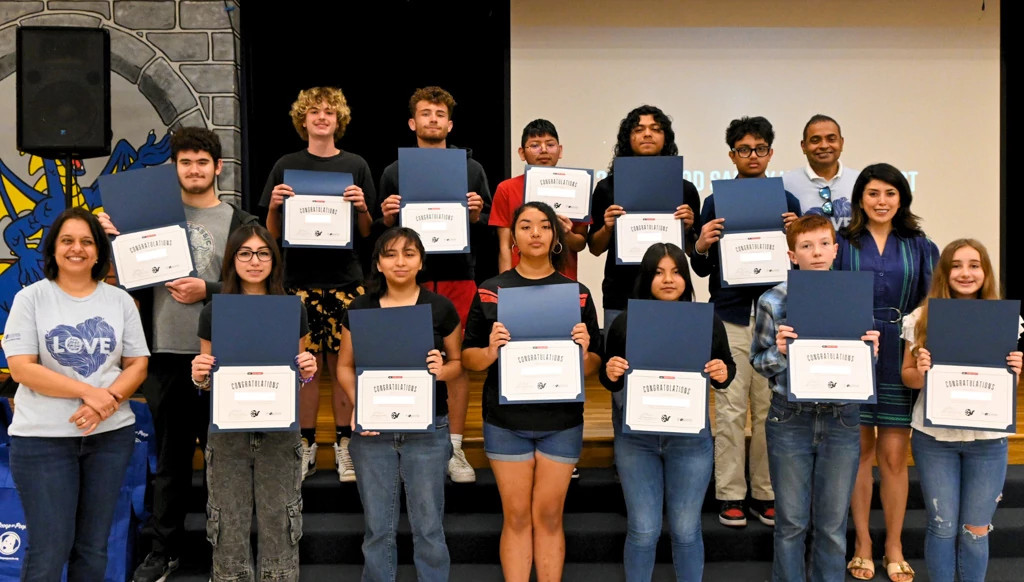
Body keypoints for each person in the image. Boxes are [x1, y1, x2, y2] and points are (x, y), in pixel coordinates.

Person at [98, 126, 259, 582]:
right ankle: (162, 551)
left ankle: (224, 551)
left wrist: (205, 288)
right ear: (175, 169)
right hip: (167, 353)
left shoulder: (241, 222)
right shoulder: (150, 217)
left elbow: (259, 282)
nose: (194, 170)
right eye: (185, 162)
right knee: (169, 462)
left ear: (218, 168)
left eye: (202, 162)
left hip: (227, 357)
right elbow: (128, 281)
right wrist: (118, 241)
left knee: (224, 460)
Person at [2, 207, 149, 581]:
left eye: (86, 241)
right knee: (50, 550)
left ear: (99, 252)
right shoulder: (30, 299)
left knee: (93, 549)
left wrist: (108, 403)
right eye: (67, 240)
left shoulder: (120, 302)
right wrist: (90, 393)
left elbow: (137, 365)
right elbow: (22, 368)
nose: (77, 249)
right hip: (43, 442)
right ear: (53, 249)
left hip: (109, 439)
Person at [462, 201, 602, 582]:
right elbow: (468, 358)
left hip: (562, 420)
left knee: (549, 517)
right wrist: (491, 351)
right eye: (526, 226)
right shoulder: (492, 291)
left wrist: (586, 351)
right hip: (506, 421)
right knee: (518, 516)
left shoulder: (577, 293)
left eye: (544, 226)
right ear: (514, 237)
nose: (536, 233)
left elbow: (595, 366)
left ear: (556, 237)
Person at [750, 214, 880, 582]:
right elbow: (758, 363)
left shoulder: (853, 296)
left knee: (832, 526)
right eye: (806, 246)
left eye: (824, 244)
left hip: (842, 418)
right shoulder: (772, 300)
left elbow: (859, 365)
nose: (817, 253)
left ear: (836, 251)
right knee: (790, 524)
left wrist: (869, 354)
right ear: (792, 255)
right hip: (790, 417)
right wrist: (781, 352)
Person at [260, 86, 377, 483]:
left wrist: (362, 207)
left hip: (346, 279)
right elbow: (271, 236)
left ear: (339, 120)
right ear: (303, 120)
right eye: (314, 112)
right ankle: (306, 445)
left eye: (329, 112)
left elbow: (367, 231)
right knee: (305, 370)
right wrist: (275, 206)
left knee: (345, 366)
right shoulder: (286, 165)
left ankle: (345, 445)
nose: (322, 117)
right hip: (299, 282)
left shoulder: (356, 165)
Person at [600, 242, 736, 582]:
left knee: (687, 531)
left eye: (676, 271)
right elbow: (609, 380)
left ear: (687, 279)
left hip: (690, 442)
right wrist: (611, 371)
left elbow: (726, 370)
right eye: (658, 273)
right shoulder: (625, 324)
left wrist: (723, 372)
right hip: (637, 442)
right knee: (643, 531)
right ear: (646, 278)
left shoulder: (706, 321)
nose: (668, 279)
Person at [376, 86, 491, 483]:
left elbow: (487, 225)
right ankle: (404, 435)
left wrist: (476, 213)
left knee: (455, 363)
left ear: (450, 123)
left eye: (440, 114)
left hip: (459, 273)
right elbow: (381, 231)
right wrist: (388, 216)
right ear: (413, 122)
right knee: (405, 357)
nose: (433, 120)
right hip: (408, 278)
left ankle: (454, 446)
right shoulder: (393, 171)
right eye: (426, 114)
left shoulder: (471, 169)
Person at [189, 224, 317, 581]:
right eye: (245, 253)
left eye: (263, 253)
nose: (254, 261)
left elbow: (300, 376)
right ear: (232, 260)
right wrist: (199, 373)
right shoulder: (214, 312)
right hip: (229, 433)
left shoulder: (292, 309)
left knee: (281, 520)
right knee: (227, 522)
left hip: (279, 432)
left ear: (274, 261)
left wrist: (306, 369)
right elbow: (208, 381)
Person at [691, 115, 801, 528]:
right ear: (731, 155)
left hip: (776, 317)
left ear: (771, 153)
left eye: (759, 149)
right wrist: (701, 244)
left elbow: (804, 263)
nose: (751, 156)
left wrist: (796, 236)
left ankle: (766, 491)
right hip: (731, 315)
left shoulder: (788, 202)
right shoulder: (714, 203)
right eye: (743, 149)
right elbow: (702, 269)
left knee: (770, 406)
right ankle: (731, 493)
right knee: (731, 407)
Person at [337, 227, 462, 582]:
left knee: (429, 528)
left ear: (421, 261)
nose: (400, 261)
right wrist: (361, 404)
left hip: (428, 430)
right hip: (373, 430)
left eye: (409, 253)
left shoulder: (440, 307)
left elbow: (458, 365)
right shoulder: (361, 307)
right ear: (378, 262)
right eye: (390, 254)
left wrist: (442, 370)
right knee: (378, 530)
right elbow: (345, 366)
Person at [835, 162, 939, 582]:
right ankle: (863, 542)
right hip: (851, 352)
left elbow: (932, 302)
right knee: (858, 452)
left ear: (902, 198)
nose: (881, 201)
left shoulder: (920, 245)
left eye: (890, 194)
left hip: (902, 352)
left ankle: (893, 544)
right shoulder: (841, 243)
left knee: (894, 456)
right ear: (860, 197)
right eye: (873, 193)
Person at [900, 238, 1022, 582]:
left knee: (976, 529)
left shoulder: (1006, 319)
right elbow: (908, 378)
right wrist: (921, 373)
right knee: (942, 526)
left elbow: (1004, 387)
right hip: (934, 438)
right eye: (956, 265)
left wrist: (1015, 371)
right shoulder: (921, 318)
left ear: (986, 272)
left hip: (988, 440)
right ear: (944, 272)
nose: (965, 273)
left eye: (973, 265)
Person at [490, 119, 588, 279]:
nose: (543, 150)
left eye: (550, 145)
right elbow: (505, 246)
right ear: (522, 153)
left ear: (560, 150)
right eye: (535, 145)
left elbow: (581, 244)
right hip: (518, 279)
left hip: (563, 279)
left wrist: (566, 234)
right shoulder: (506, 189)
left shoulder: (577, 185)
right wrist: (505, 284)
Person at [782, 114, 859, 230]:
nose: (824, 145)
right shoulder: (785, 183)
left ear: (841, 143)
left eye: (831, 139)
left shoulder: (860, 180)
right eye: (815, 140)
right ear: (803, 146)